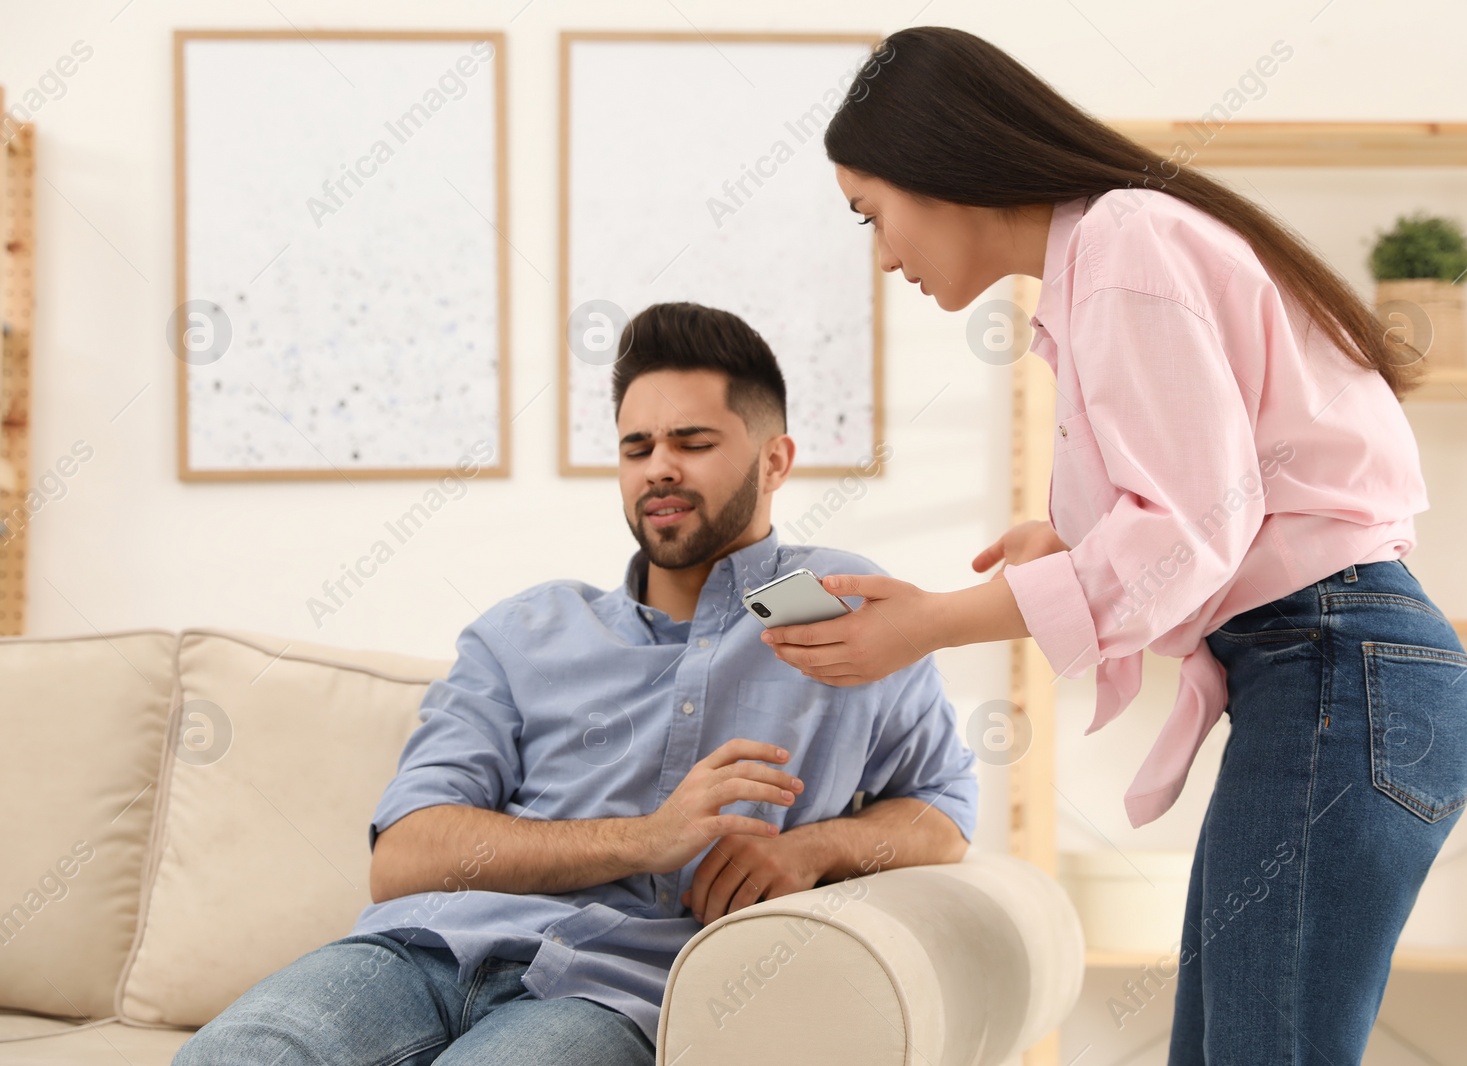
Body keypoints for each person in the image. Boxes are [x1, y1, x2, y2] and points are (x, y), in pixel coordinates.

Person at [759, 26, 1467, 1065]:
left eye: (873, 214)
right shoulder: (1110, 255)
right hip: (1339, 675)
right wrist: (1070, 537)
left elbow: (1187, 527)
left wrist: (932, 626)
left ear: (939, 165)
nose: (882, 255)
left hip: (1337, 673)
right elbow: (1211, 495)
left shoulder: (1121, 246)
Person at [173, 301, 977, 1065]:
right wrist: (646, 838)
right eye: (636, 448)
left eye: (692, 442)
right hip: (419, 953)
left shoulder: (841, 607)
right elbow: (405, 857)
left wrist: (816, 848)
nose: (658, 468)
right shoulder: (526, 631)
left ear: (775, 461)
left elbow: (944, 810)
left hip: (612, 991)